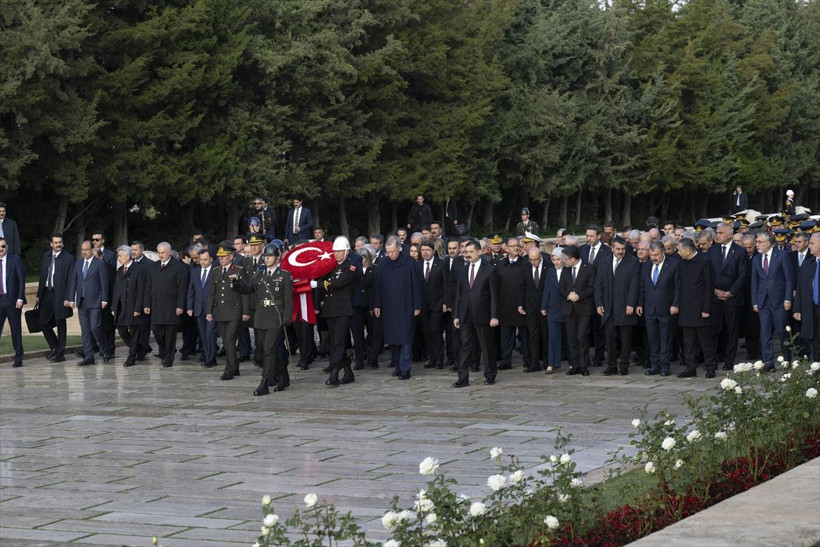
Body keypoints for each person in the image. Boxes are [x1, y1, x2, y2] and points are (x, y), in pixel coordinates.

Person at [238, 242, 293, 395]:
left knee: (269, 350)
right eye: (266, 256)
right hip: (261, 316)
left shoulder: (284, 276)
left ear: (277, 258)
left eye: (270, 256)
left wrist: (287, 318)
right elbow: (248, 289)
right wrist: (237, 284)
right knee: (265, 350)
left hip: (276, 316)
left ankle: (265, 381)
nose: (267, 259)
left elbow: (288, 300)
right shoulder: (259, 275)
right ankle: (283, 374)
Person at [373, 236, 422, 379]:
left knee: (406, 337)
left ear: (399, 248)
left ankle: (406, 368)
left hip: (406, 304)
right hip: (389, 306)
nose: (390, 254)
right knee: (392, 337)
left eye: (393, 251)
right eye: (388, 252)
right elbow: (378, 287)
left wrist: (417, 305)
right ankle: (398, 365)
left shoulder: (410, 262)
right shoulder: (383, 264)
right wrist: (377, 304)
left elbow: (417, 285)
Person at [452, 239, 499, 387]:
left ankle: (490, 374)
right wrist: (456, 315)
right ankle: (462, 378)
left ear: (479, 252)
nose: (468, 255)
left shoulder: (489, 270)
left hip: (483, 314)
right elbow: (459, 294)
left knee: (486, 345)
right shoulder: (462, 270)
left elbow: (494, 295)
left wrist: (494, 316)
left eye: (471, 252)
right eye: (466, 252)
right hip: (465, 314)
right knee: (465, 346)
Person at [594, 237, 640, 376]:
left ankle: (624, 366)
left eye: (623, 249)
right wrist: (599, 303)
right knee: (610, 339)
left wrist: (631, 304)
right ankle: (611, 366)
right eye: (618, 249)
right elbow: (598, 284)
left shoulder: (633, 262)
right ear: (612, 248)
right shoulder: (604, 261)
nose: (620, 252)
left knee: (625, 340)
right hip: (608, 308)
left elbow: (634, 285)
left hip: (625, 307)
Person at [707, 222, 748, 371]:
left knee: (732, 331)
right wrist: (714, 290)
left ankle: (729, 361)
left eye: (721, 233)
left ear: (730, 234)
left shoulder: (739, 252)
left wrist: (731, 292)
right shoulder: (713, 250)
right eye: (717, 232)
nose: (717, 235)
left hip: (733, 298)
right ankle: (712, 361)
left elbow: (743, 275)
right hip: (715, 296)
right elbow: (708, 273)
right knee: (714, 329)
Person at [751, 231, 793, 372]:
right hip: (763, 302)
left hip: (779, 301)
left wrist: (788, 298)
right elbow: (754, 282)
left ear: (768, 243)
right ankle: (768, 362)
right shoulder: (756, 259)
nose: (757, 244)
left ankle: (787, 359)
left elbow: (788, 279)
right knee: (765, 332)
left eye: (759, 242)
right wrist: (755, 302)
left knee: (781, 331)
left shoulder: (781, 255)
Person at [676, 238, 717, 378]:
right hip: (686, 308)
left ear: (687, 250)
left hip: (700, 309)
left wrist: (706, 308)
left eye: (680, 250)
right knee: (688, 342)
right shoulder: (681, 263)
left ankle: (710, 367)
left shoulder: (704, 261)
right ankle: (690, 367)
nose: (678, 252)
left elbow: (709, 287)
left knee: (705, 340)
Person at [207, 242, 250, 380]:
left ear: (231, 256)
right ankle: (235, 366)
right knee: (226, 341)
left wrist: (245, 311)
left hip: (234, 311)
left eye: (224, 256)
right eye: (219, 256)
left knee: (230, 340)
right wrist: (209, 311)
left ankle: (229, 369)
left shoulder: (238, 270)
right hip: (220, 311)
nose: (221, 258)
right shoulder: (216, 271)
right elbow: (212, 293)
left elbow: (244, 292)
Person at [321, 236, 359, 386]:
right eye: (335, 251)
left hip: (343, 309)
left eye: (339, 251)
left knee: (338, 341)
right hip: (331, 309)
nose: (336, 254)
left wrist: (317, 284)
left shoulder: (351, 267)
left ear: (347, 251)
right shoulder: (331, 267)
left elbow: (337, 283)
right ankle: (348, 371)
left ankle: (334, 373)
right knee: (336, 341)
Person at [638, 241, 680, 377]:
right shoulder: (646, 265)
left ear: (663, 252)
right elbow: (643, 286)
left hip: (667, 308)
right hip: (650, 308)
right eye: (651, 255)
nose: (653, 258)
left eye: (656, 255)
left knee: (666, 338)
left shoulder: (673, 264)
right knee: (652, 338)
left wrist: (675, 304)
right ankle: (654, 364)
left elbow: (678, 287)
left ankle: (665, 366)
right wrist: (640, 304)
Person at [145, 242, 189, 368]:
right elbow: (148, 286)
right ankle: (164, 350)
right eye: (159, 252)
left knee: (170, 334)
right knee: (157, 331)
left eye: (163, 252)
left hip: (172, 305)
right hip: (157, 305)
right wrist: (147, 304)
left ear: (169, 252)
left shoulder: (178, 267)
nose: (161, 255)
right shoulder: (153, 267)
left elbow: (182, 288)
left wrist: (180, 306)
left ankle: (169, 358)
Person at [68, 240, 109, 366]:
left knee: (95, 327)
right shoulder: (78, 264)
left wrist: (104, 299)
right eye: (82, 249)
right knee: (85, 330)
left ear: (92, 250)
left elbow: (104, 282)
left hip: (96, 301)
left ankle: (104, 349)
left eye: (86, 249)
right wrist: (71, 298)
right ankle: (89, 356)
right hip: (82, 301)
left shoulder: (99, 264)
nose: (84, 252)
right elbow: (73, 282)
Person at [558, 245, 595, 376]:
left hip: (584, 309)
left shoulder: (589, 268)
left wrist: (579, 296)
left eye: (566, 258)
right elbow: (561, 288)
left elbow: (592, 287)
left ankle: (584, 366)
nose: (564, 261)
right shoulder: (565, 270)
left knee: (582, 337)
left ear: (573, 259)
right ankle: (575, 365)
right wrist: (568, 295)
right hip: (569, 309)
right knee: (572, 338)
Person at [112, 245, 148, 367]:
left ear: (128, 256)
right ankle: (140, 348)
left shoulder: (138, 270)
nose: (118, 258)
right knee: (121, 329)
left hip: (133, 306)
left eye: (120, 256)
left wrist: (138, 308)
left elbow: (141, 290)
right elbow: (116, 289)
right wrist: (113, 307)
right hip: (121, 306)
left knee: (135, 332)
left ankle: (131, 357)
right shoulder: (119, 270)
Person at [495, 238, 527, 370]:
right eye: (512, 246)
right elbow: (496, 286)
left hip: (522, 305)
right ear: (506, 248)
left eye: (517, 246)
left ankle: (528, 359)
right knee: (506, 336)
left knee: (525, 335)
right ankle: (506, 360)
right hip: (505, 305)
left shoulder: (525, 263)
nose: (515, 248)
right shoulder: (500, 264)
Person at [187, 245, 218, 368]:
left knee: (210, 333)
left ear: (211, 259)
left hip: (212, 308)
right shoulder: (195, 272)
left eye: (205, 259)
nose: (203, 262)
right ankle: (208, 356)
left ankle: (210, 358)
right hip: (199, 308)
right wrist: (189, 307)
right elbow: (191, 290)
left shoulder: (216, 270)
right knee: (204, 335)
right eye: (201, 260)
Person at [418, 239, 446, 369]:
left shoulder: (441, 264)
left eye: (427, 250)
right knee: (426, 332)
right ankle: (432, 358)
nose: (425, 252)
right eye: (423, 250)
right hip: (423, 305)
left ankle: (440, 358)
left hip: (437, 304)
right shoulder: (417, 265)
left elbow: (446, 285)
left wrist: (445, 302)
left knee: (436, 330)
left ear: (433, 250)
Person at [793, 233, 820, 361]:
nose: (809, 246)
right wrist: (797, 309)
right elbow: (800, 288)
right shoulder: (808, 263)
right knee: (814, 340)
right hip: (811, 309)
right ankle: (816, 368)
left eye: (812, 243)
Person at [0, 237, 26, 366]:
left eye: (3, 246)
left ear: (7, 247)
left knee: (15, 329)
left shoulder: (15, 260)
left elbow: (21, 280)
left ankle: (18, 358)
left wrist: (20, 297)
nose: (1, 249)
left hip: (12, 301)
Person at [523, 246, 549, 372]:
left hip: (545, 307)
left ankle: (546, 360)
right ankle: (534, 363)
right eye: (531, 260)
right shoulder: (525, 267)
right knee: (533, 335)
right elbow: (522, 286)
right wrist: (520, 304)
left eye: (536, 259)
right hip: (531, 306)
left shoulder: (548, 266)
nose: (533, 262)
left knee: (545, 333)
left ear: (541, 257)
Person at [541, 248, 565, 374]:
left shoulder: (568, 270)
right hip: (553, 307)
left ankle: (572, 362)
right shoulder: (550, 271)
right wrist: (544, 306)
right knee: (553, 336)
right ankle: (551, 363)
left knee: (569, 337)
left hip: (567, 308)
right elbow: (547, 290)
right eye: (554, 260)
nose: (556, 262)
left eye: (558, 259)